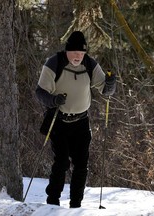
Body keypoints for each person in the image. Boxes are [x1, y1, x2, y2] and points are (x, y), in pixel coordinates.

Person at [35, 31, 116, 208]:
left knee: (81, 165)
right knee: (62, 162)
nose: (78, 56)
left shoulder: (89, 64)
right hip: (59, 120)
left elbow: (106, 90)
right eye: (75, 53)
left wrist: (111, 84)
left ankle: (76, 204)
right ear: (67, 51)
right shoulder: (54, 63)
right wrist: (53, 100)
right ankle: (53, 201)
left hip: (81, 121)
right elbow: (40, 92)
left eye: (82, 53)